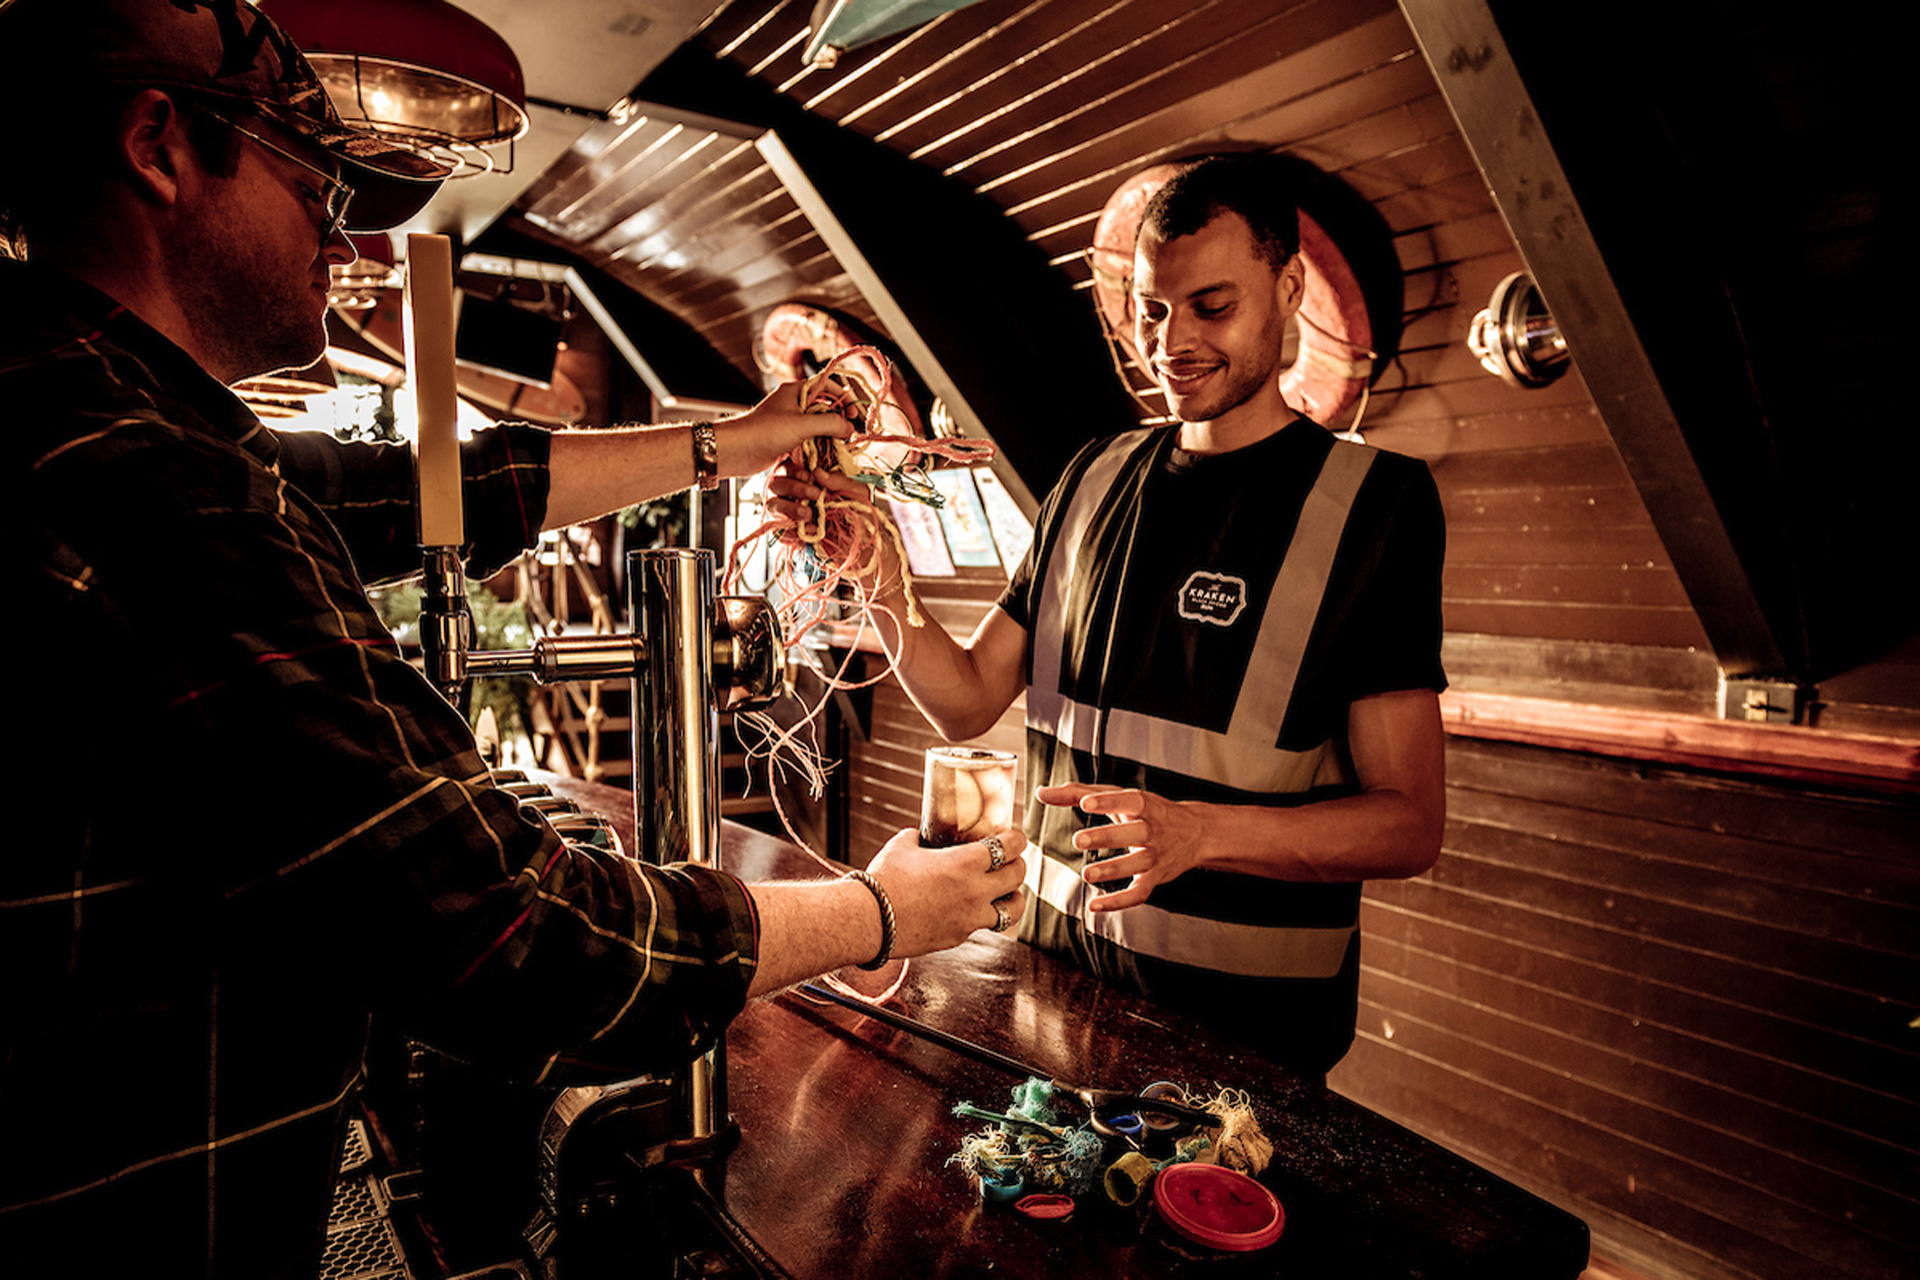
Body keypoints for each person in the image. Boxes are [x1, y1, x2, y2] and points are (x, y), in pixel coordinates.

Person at [0, 1, 1026, 1274]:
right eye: (308, 173)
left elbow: (431, 495)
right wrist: (879, 908)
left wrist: (741, 440)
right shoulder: (146, 479)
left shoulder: (76, 405)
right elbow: (518, 936)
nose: (347, 225)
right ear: (158, 145)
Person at [771, 153, 1446, 1082]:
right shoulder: (1092, 475)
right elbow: (966, 700)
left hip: (1245, 1047)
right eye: (1152, 310)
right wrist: (872, 562)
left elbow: (1409, 823)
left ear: (1289, 288)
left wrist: (1202, 832)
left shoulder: (1378, 505)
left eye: (1212, 306)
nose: (1173, 341)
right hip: (1048, 999)